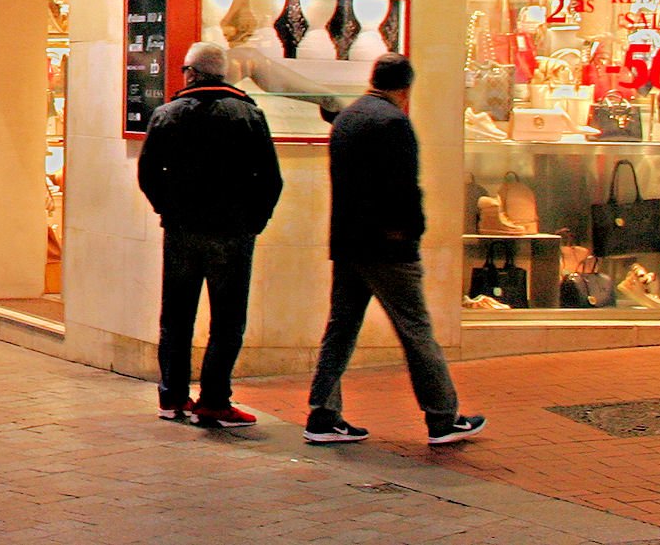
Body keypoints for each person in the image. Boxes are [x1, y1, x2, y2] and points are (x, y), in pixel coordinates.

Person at [304, 55, 485, 448]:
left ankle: (322, 413)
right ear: (404, 90)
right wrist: (410, 234)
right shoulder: (394, 123)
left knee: (341, 328)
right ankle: (442, 417)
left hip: (349, 242)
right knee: (416, 329)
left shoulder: (348, 118)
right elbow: (403, 188)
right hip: (388, 245)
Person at [138, 42, 283, 429]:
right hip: (233, 234)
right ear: (223, 73)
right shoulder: (249, 115)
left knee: (176, 318)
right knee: (228, 320)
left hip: (182, 232)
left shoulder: (167, 116)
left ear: (190, 72)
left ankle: (172, 397)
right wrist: (254, 221)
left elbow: (148, 175)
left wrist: (166, 209)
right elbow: (270, 179)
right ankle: (215, 400)